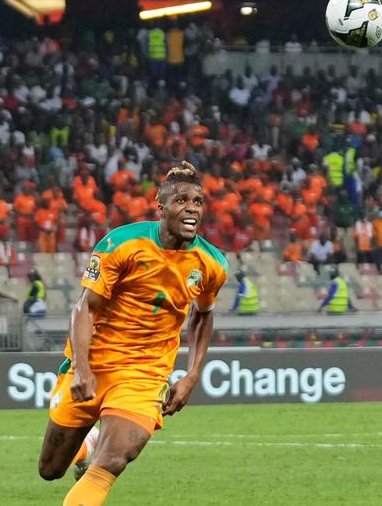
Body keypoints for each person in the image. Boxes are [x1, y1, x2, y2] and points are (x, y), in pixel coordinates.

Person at [36, 162, 229, 506]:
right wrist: (81, 368)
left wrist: (192, 374)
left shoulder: (211, 264)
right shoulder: (122, 244)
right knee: (50, 470)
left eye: (198, 202)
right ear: (161, 207)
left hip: (145, 375)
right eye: (181, 200)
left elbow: (203, 314)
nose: (191, 209)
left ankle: (99, 456)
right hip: (94, 364)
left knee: (112, 461)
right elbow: (85, 308)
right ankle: (88, 445)